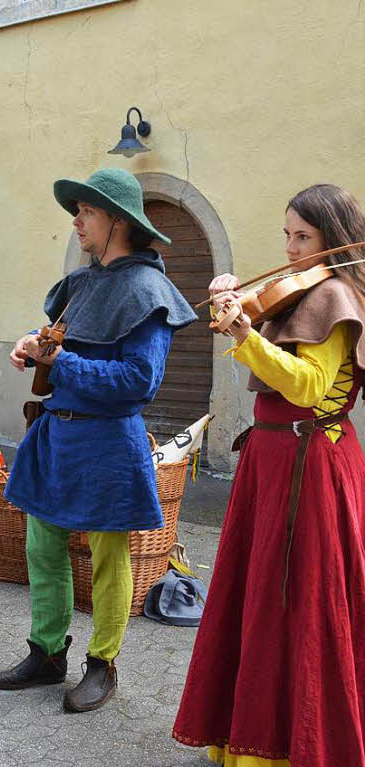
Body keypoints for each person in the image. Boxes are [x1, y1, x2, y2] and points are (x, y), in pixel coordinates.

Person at [0, 168, 196, 711]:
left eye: (87, 212)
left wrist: (60, 359)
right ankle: (47, 655)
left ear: (117, 220)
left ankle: (103, 664)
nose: (76, 222)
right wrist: (31, 343)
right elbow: (52, 334)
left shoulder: (149, 291)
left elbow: (137, 383)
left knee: (107, 557)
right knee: (41, 545)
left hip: (108, 441)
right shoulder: (80, 283)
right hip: (57, 434)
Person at [173, 184, 365, 766]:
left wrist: (243, 334)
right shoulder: (303, 293)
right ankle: (250, 732)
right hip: (273, 461)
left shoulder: (336, 298)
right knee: (257, 596)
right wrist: (235, 305)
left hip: (310, 465)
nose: (291, 249)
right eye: (287, 235)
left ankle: (297, 743)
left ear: (333, 238)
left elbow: (307, 387)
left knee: (301, 601)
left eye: (303, 237)